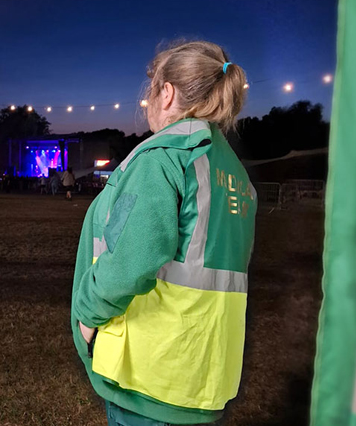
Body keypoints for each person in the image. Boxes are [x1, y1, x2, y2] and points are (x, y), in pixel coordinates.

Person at [71, 40, 257, 426]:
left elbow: (130, 259)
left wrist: (88, 315)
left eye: (152, 91)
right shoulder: (233, 173)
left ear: (167, 92)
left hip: (151, 375)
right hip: (204, 374)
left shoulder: (163, 158)